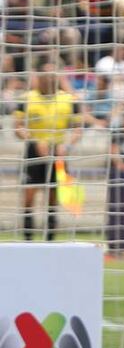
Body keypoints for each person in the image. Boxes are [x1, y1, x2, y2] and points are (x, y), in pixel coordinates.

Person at [13, 71, 98, 241]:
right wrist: (34, 140)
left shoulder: (68, 99)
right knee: (28, 198)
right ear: (39, 78)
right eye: (45, 75)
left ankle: (49, 241)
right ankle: (27, 241)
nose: (48, 78)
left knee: (53, 199)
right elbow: (17, 127)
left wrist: (65, 145)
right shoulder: (26, 98)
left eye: (52, 75)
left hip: (58, 152)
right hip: (34, 152)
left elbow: (78, 128)